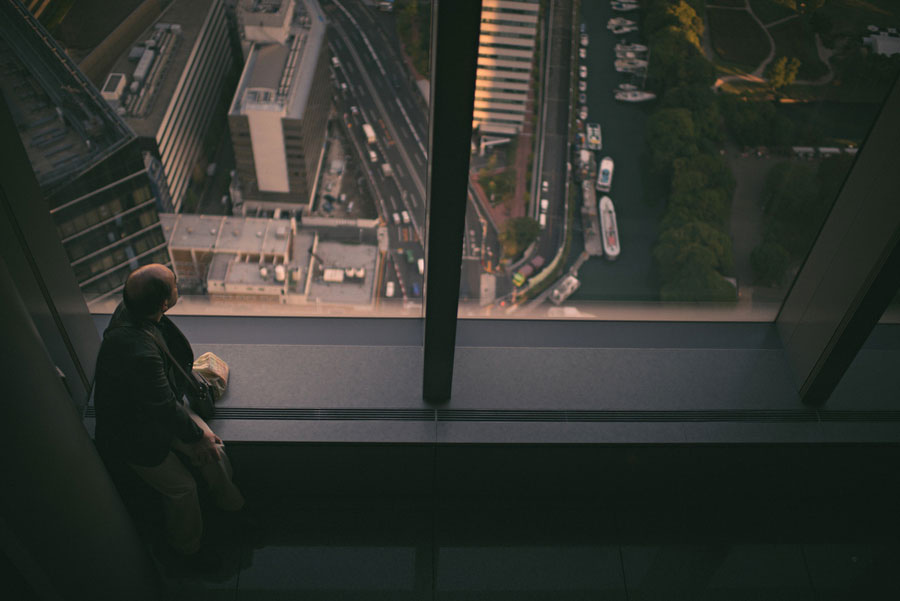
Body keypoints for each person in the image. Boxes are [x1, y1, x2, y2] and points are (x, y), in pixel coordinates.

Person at [94, 264, 245, 573]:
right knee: (182, 489)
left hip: (152, 414)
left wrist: (200, 439)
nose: (179, 286)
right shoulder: (138, 349)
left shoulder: (134, 314)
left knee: (214, 453)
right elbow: (161, 405)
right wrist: (198, 436)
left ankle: (233, 510)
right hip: (134, 436)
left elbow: (160, 400)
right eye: (175, 285)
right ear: (164, 303)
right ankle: (187, 550)